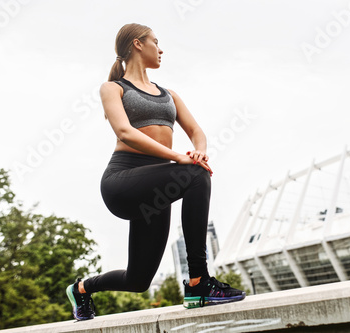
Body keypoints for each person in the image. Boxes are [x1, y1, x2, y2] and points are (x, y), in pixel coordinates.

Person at [65, 23, 245, 321]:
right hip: (122, 182)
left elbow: (196, 131)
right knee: (196, 176)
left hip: (156, 188)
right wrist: (178, 157)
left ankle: (82, 289)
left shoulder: (169, 94)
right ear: (138, 44)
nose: (161, 50)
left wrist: (198, 151)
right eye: (156, 43)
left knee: (138, 281)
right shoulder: (113, 88)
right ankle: (199, 282)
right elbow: (125, 131)